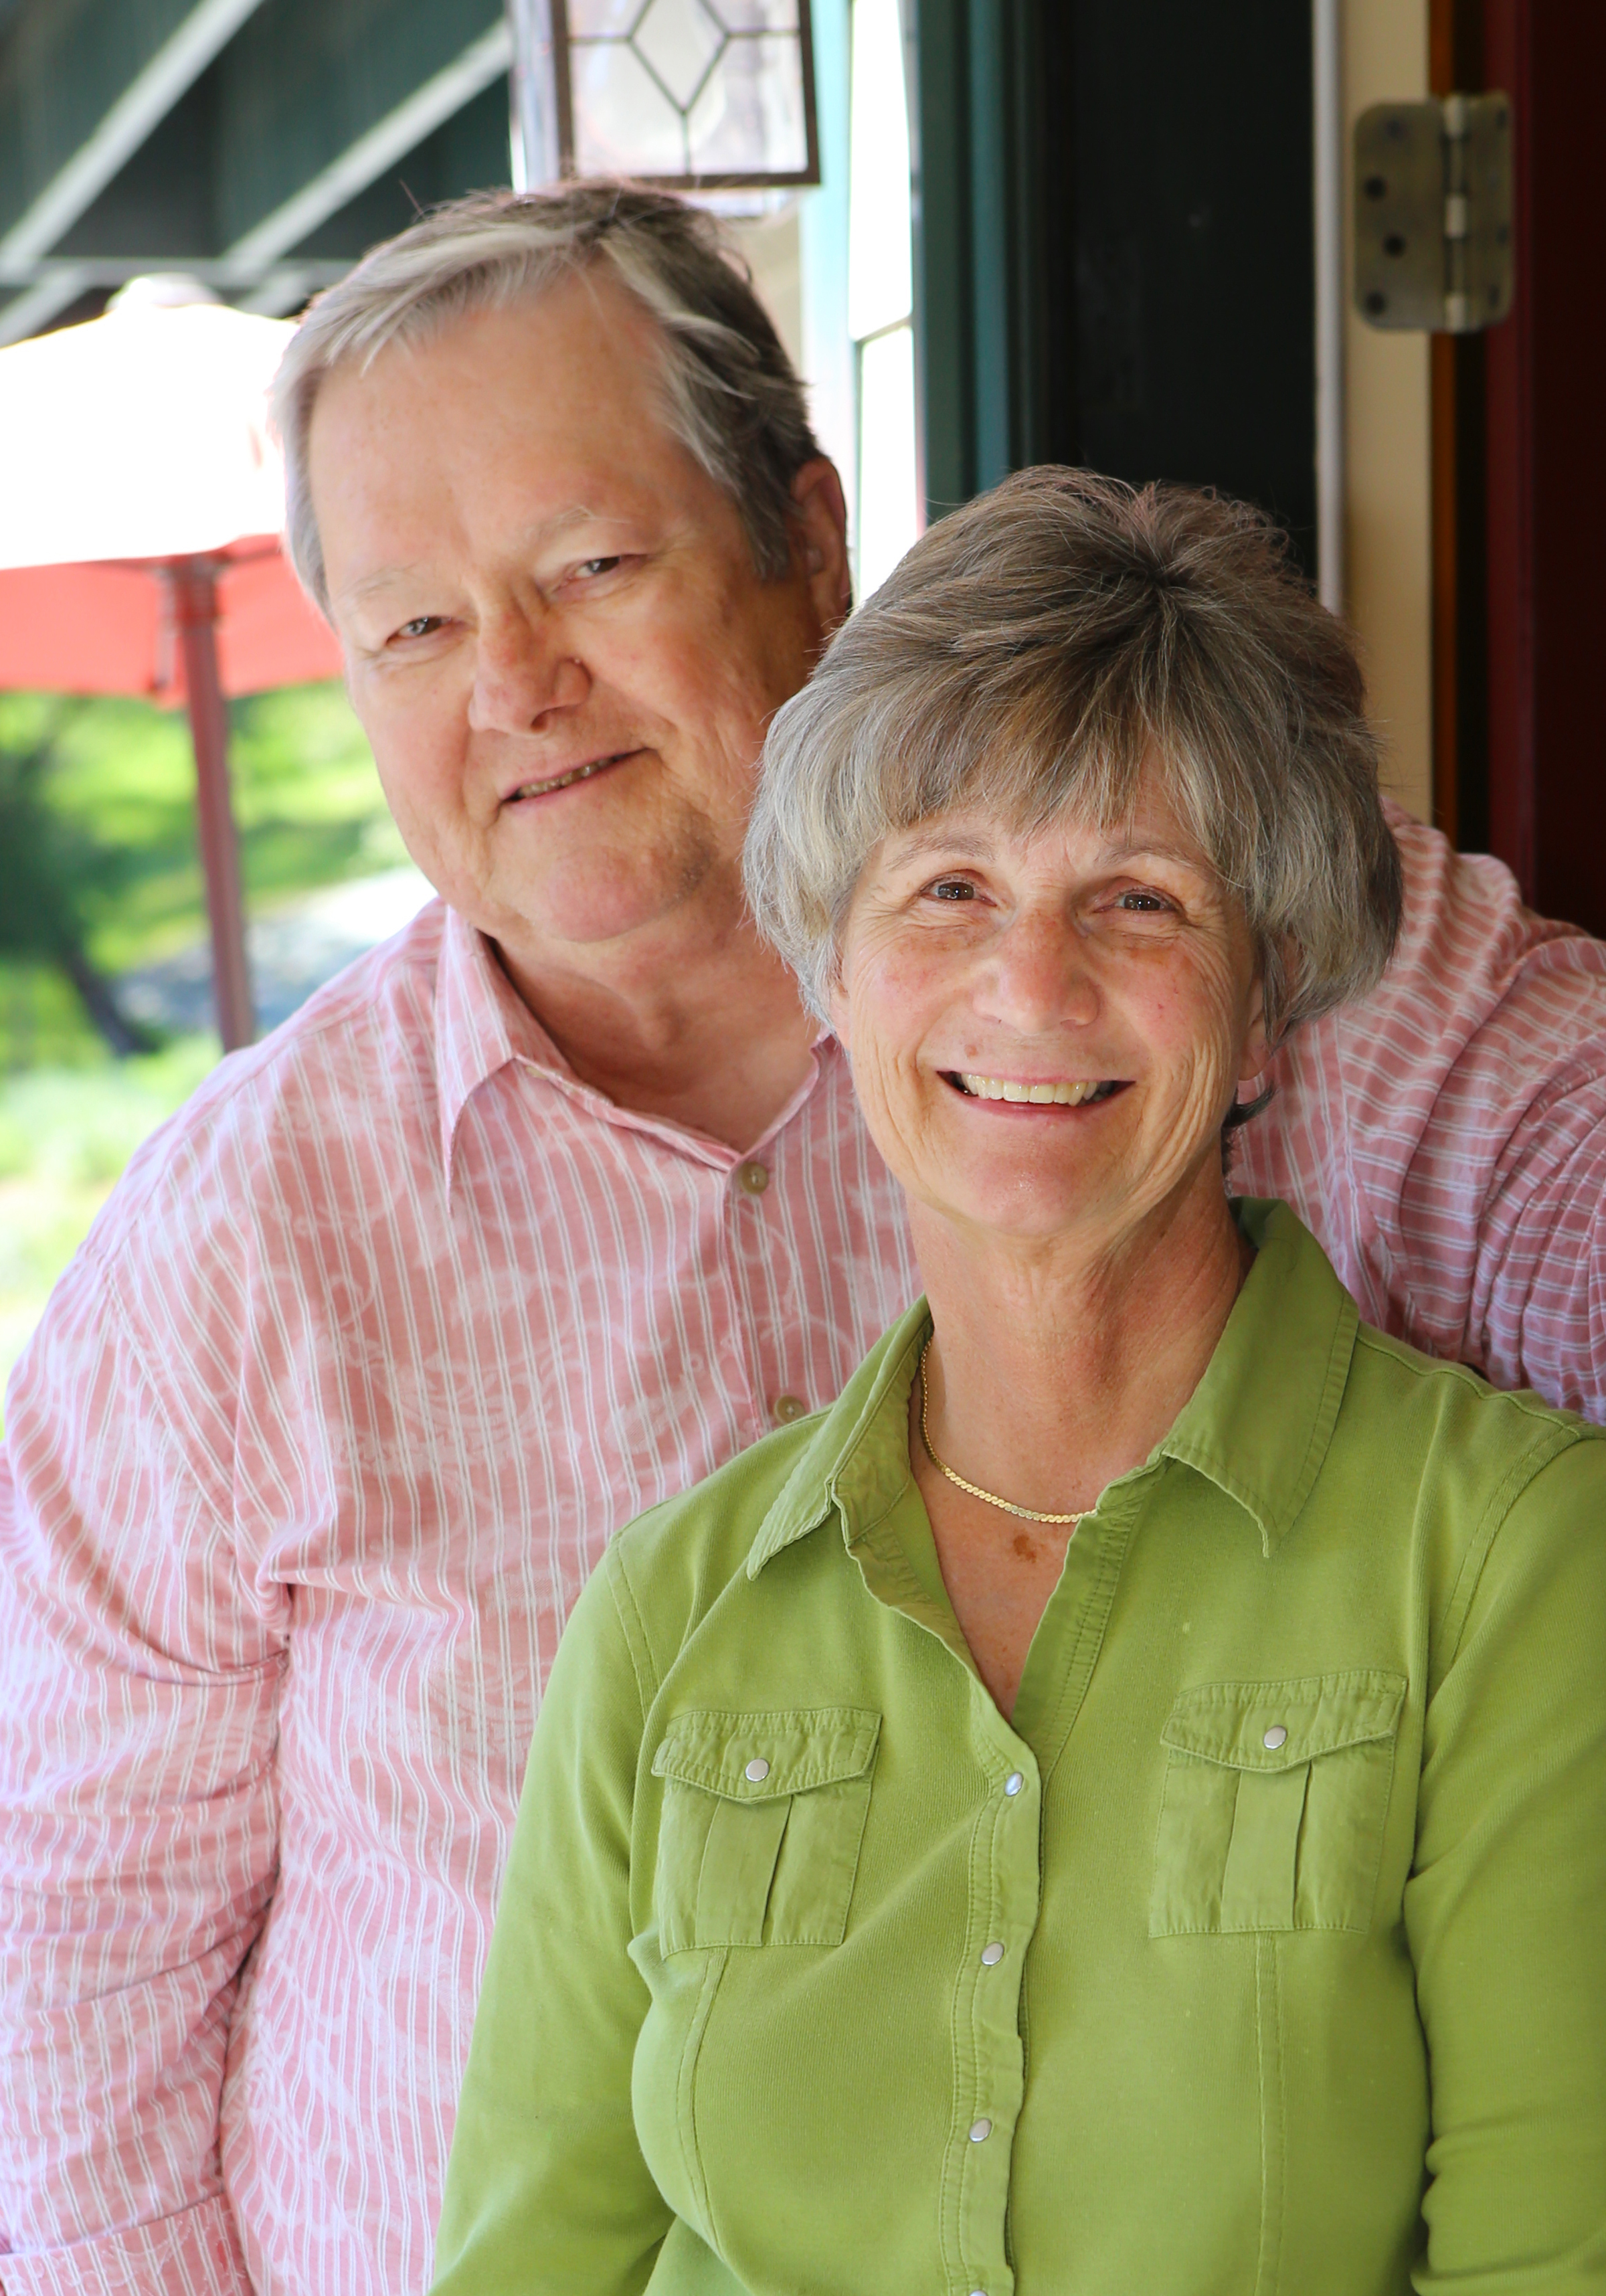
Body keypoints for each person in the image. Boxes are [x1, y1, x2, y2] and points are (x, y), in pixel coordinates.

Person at [1, 187, 1605, 2296]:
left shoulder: (1194, 929)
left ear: (808, 542)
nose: (520, 687)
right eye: (415, 627)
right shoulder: (235, 1252)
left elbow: (1566, 1148)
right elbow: (73, 1991)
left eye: (591, 566)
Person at [432, 470, 1606, 2295]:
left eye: (1137, 901)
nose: (1030, 988)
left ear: (1272, 986)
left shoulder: (1509, 1560)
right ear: (830, 972)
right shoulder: (669, 1612)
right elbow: (531, 2264)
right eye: (951, 889)